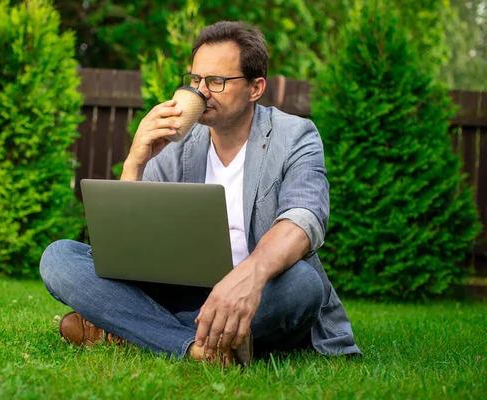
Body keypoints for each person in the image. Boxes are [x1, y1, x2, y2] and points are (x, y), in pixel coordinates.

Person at [39, 21, 361, 366]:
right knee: (59, 257)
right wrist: (135, 161)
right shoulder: (177, 142)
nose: (201, 92)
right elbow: (128, 247)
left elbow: (304, 221)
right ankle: (194, 347)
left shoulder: (296, 136)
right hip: (177, 291)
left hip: (258, 291)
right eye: (195, 80)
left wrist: (247, 278)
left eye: (216, 82)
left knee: (303, 285)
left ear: (255, 87)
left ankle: (127, 332)